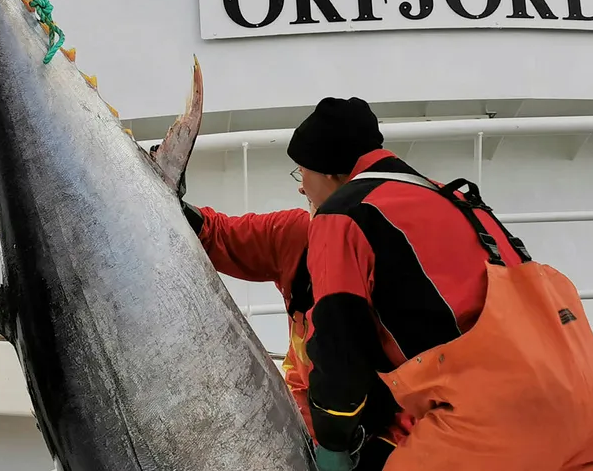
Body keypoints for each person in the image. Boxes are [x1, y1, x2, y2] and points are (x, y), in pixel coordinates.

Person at [287, 96, 593, 471]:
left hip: (499, 419)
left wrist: (333, 440)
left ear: (329, 172)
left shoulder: (341, 217)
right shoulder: (452, 196)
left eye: (300, 173)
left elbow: (338, 341)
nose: (301, 188)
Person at [173, 182, 414, 470]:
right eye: (301, 173)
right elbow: (220, 235)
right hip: (303, 425)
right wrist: (175, 206)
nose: (302, 188)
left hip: (391, 433)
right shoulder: (296, 234)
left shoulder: (399, 257)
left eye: (314, 177)